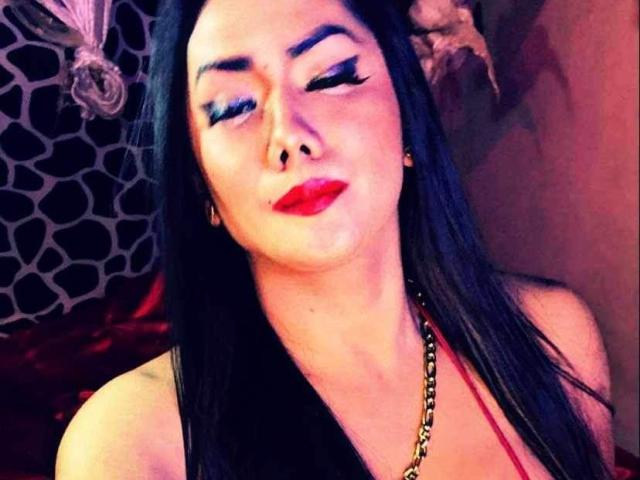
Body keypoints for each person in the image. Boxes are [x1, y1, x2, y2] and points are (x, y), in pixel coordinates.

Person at [55, 0, 616, 478]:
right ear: (201, 186)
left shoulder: (554, 338)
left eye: (330, 77)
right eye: (233, 107)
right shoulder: (135, 443)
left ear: (407, 114)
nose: (289, 136)